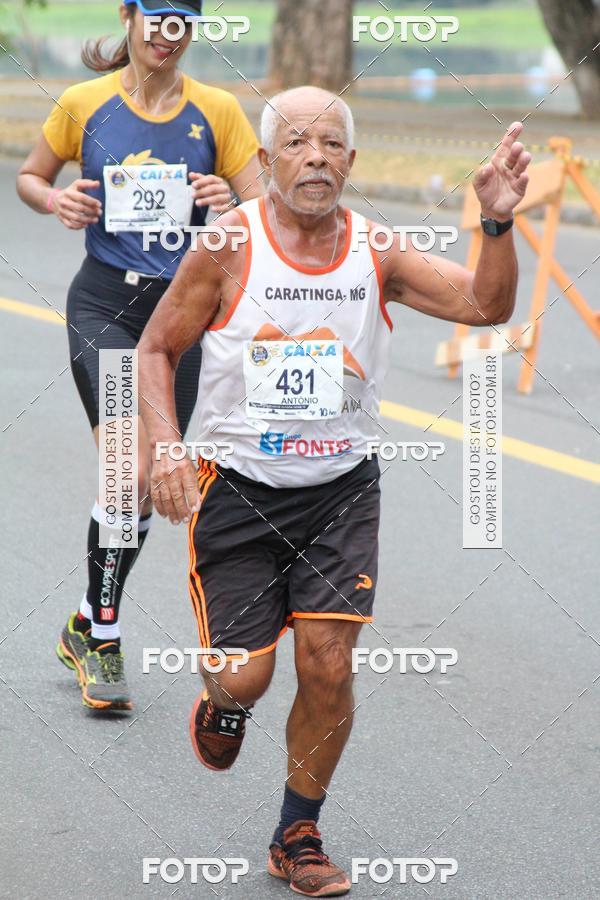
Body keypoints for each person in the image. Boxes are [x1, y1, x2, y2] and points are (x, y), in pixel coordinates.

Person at [137, 86, 530, 896]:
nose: (315, 156)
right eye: (296, 143)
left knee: (328, 664)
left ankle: (297, 831)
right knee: (245, 676)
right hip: (237, 489)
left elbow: (488, 305)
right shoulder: (227, 248)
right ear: (269, 159)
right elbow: (153, 349)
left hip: (341, 489)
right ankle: (224, 702)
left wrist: (495, 223)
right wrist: (166, 449)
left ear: (350, 161)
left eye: (331, 144)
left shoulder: (377, 249)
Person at [16, 0, 263, 711]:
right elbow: (32, 177)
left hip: (181, 316)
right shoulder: (85, 102)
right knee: (125, 466)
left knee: (156, 478)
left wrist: (227, 201)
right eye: (155, 18)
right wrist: (55, 200)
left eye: (181, 22)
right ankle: (106, 637)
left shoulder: (217, 111)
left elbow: (263, 211)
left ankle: (88, 622)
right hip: (106, 307)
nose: (166, 35)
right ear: (129, 17)